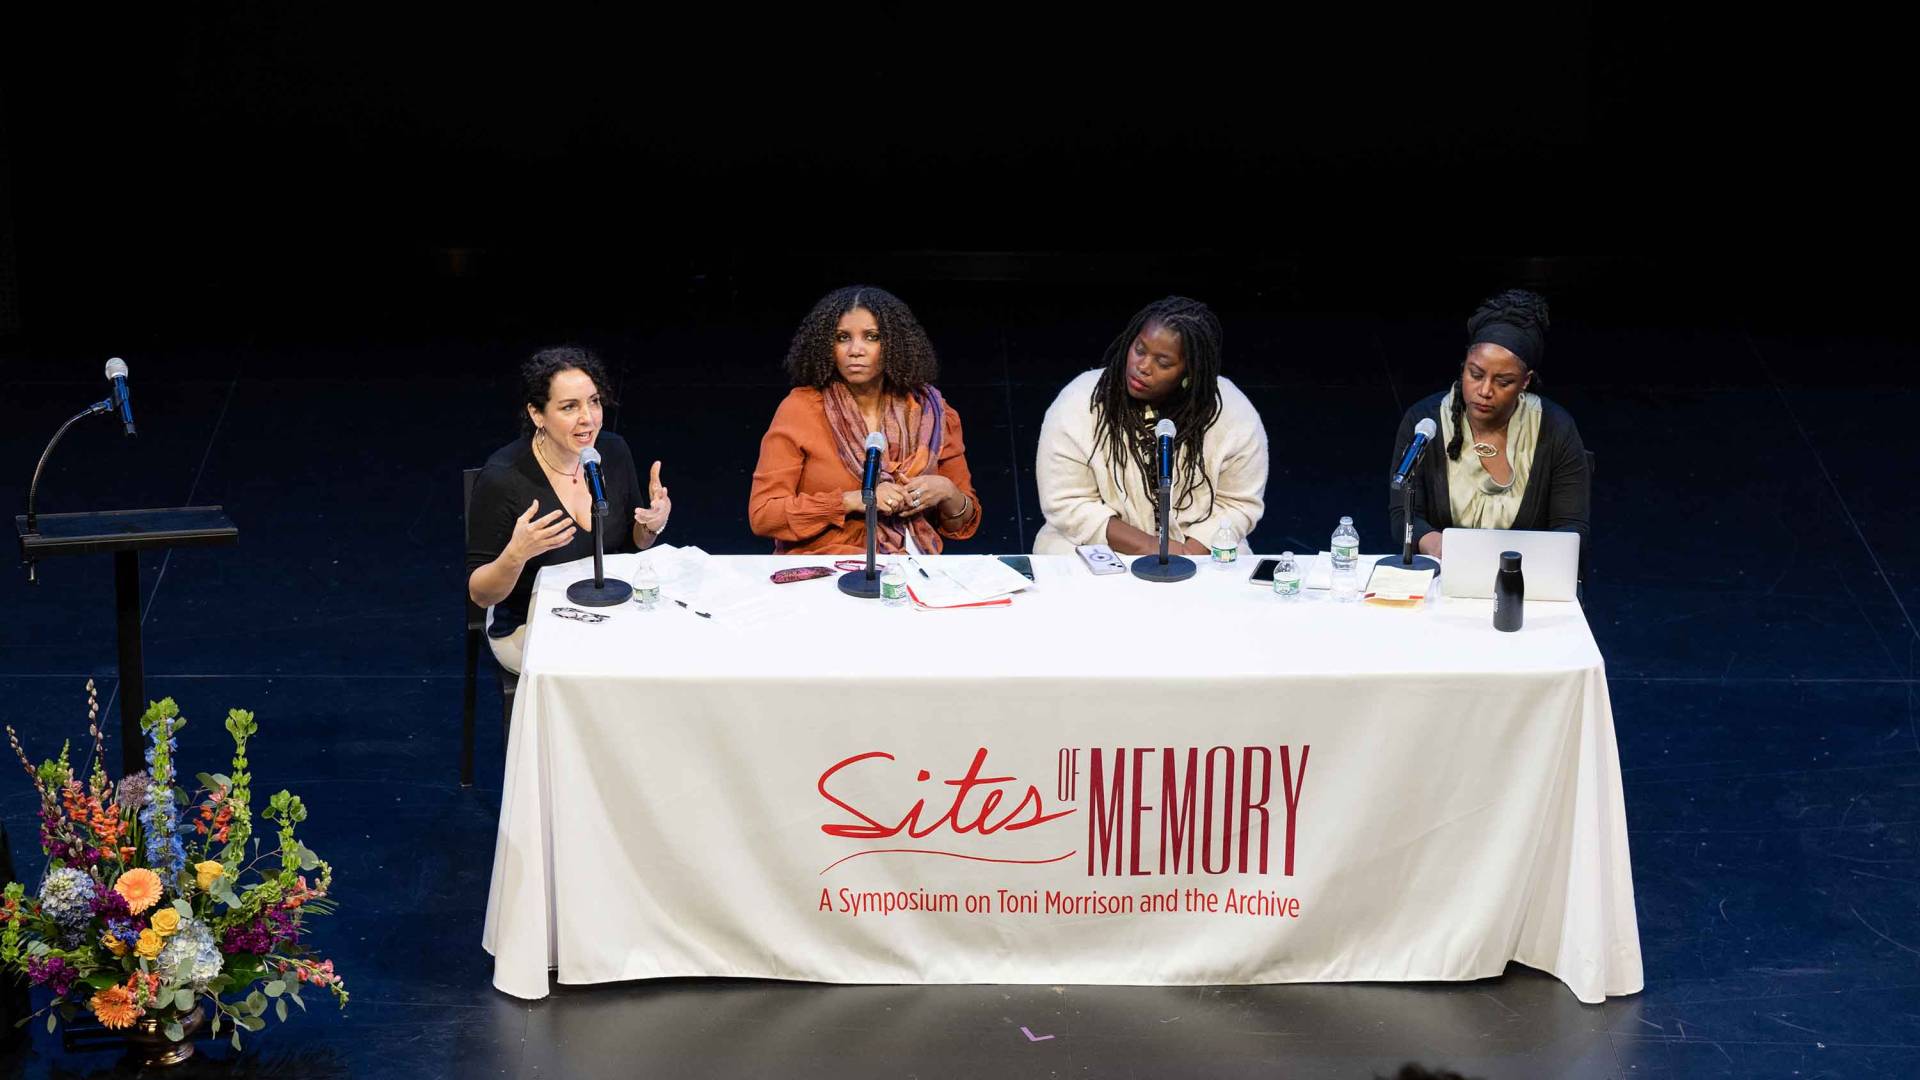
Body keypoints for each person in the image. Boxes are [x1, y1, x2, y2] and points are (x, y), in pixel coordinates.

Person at [467, 346, 670, 674]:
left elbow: (633, 546)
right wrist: (516, 555)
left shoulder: (613, 452)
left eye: (594, 401)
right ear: (537, 414)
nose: (588, 418)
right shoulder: (504, 478)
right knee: (611, 665)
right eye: (569, 407)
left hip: (609, 613)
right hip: (530, 625)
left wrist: (651, 524)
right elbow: (480, 594)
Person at [748, 285, 981, 555]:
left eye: (871, 337)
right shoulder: (800, 410)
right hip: (824, 567)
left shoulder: (934, 413)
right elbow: (764, 515)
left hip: (910, 568)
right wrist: (853, 500)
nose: (855, 350)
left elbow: (961, 524)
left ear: (894, 345)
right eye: (842, 338)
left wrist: (947, 491)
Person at [1033, 296, 1267, 556]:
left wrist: (1190, 553)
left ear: (1190, 372)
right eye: (1139, 350)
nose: (1142, 367)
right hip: (1097, 547)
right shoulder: (1079, 402)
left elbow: (1238, 503)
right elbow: (1067, 503)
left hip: (1201, 549)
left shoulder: (1233, 413)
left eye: (1163, 363)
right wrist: (1152, 548)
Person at [1388, 288, 1590, 561]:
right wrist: (1434, 543)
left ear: (1525, 381)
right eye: (1475, 374)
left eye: (1503, 382)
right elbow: (1403, 515)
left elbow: (1572, 529)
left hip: (1525, 576)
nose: (1484, 390)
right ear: (1464, 367)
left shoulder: (1555, 428)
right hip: (1445, 574)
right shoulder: (1425, 422)